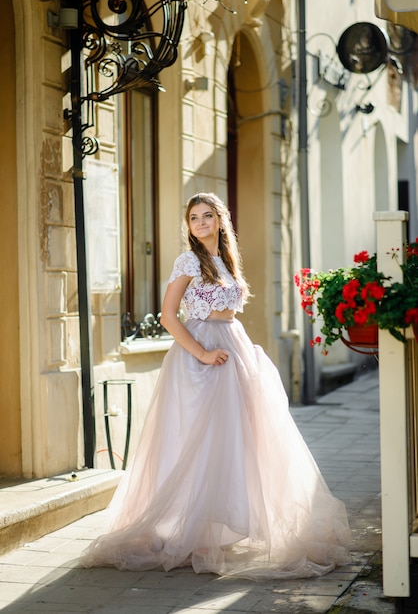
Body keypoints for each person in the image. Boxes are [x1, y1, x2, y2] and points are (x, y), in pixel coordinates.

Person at [81, 192, 351, 579]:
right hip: (200, 357)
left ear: (220, 221)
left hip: (232, 346)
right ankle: (195, 535)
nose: (201, 222)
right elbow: (169, 316)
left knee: (233, 440)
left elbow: (227, 313)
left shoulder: (225, 261)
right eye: (194, 217)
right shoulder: (188, 260)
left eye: (208, 215)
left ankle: (218, 529)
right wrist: (201, 354)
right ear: (189, 225)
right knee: (199, 441)